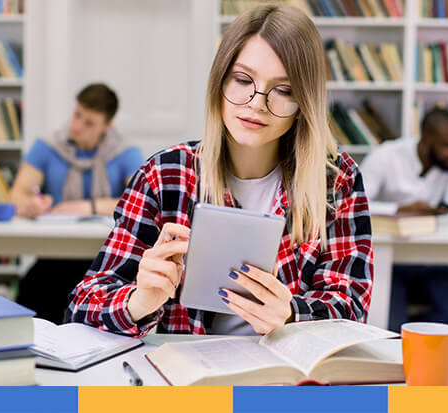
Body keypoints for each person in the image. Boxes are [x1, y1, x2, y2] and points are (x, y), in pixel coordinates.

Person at [65, 5, 373, 337]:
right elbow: (81, 308)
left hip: (284, 381)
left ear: (304, 104)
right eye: (243, 80)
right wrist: (138, 302)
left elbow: (351, 311)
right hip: (186, 380)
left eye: (283, 91)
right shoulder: (164, 175)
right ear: (219, 82)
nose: (256, 103)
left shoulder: (336, 180)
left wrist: (291, 316)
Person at [10, 83, 143, 323]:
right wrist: (30, 204)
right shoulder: (48, 147)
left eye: (89, 122)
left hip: (102, 259)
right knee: (32, 292)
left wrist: (87, 206)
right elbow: (16, 195)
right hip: (55, 255)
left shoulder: (125, 153)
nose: (77, 126)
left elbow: (141, 202)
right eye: (77, 115)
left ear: (107, 126)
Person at [360, 108, 448, 334]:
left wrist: (432, 214)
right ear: (426, 140)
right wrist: (399, 210)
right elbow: (356, 204)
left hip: (432, 258)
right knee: (385, 328)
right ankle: (403, 330)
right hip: (389, 261)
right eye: (446, 145)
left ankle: (413, 329)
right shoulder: (387, 156)